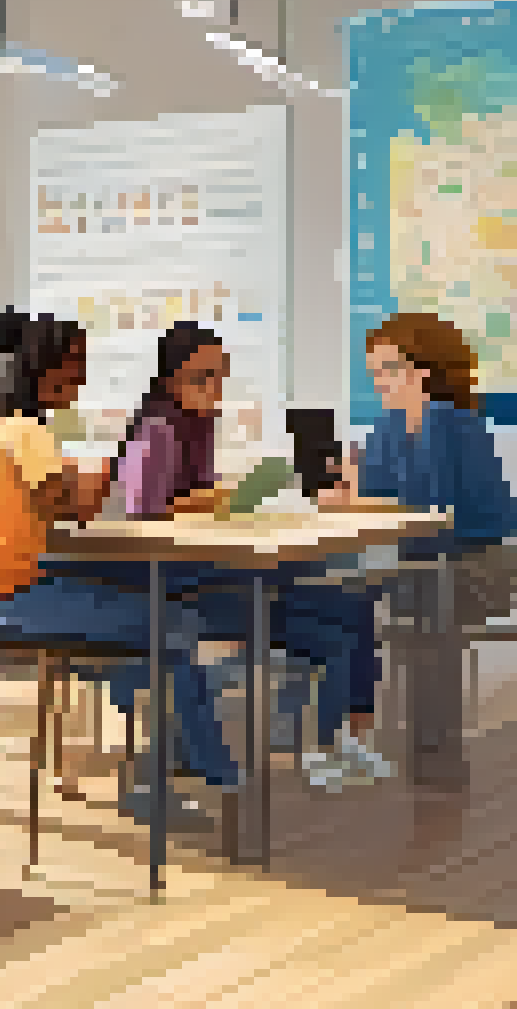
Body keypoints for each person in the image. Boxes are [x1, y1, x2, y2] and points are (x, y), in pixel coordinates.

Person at [0, 309, 238, 823]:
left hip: (24, 589)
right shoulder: (26, 433)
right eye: (76, 365)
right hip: (17, 597)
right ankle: (210, 774)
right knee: (175, 624)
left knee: (164, 647)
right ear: (46, 369)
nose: (82, 378)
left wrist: (88, 480)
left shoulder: (13, 429)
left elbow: (70, 500)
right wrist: (95, 478)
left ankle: (166, 776)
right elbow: (71, 505)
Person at [109, 322, 381, 787]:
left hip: (215, 572)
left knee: (350, 608)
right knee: (337, 622)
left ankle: (335, 743)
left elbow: (196, 497)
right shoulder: (158, 430)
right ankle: (316, 746)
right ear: (171, 378)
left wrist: (225, 499)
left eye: (220, 376)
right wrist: (214, 499)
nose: (214, 388)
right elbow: (145, 514)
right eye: (202, 377)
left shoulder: (199, 426)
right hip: (186, 587)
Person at [314, 311, 517, 782]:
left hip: (475, 566)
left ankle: (435, 754)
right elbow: (384, 504)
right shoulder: (386, 428)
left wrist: (360, 501)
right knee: (340, 594)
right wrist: (350, 493)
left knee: (421, 600)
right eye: (375, 372)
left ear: (424, 370)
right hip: (418, 562)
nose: (380, 381)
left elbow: (434, 510)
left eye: (390, 369)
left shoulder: (451, 422)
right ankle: (345, 736)